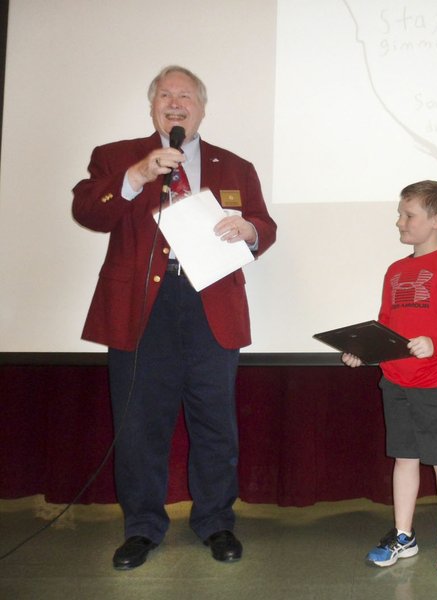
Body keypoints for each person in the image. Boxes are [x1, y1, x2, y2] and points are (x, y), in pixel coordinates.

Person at [72, 65, 277, 570]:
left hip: (211, 301)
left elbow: (265, 227)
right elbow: (88, 211)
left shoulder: (235, 165)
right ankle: (141, 528)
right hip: (141, 307)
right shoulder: (117, 157)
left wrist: (248, 229)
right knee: (140, 425)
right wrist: (137, 176)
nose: (176, 102)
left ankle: (216, 522)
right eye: (166, 94)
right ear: (153, 106)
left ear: (202, 107)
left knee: (215, 423)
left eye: (186, 95)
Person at [342, 181, 437, 571]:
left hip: (436, 382)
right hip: (396, 382)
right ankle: (404, 535)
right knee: (404, 458)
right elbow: (386, 326)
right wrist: (363, 353)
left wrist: (436, 343)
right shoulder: (396, 270)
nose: (399, 221)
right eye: (400, 213)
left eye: (408, 215)